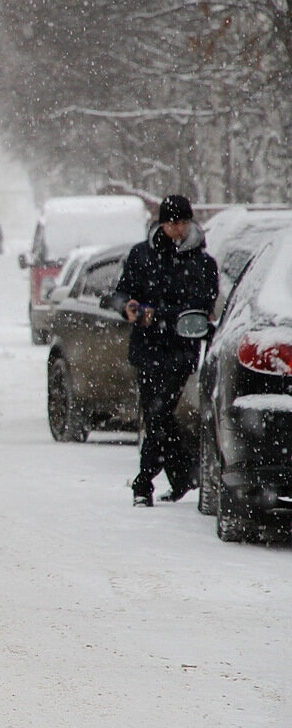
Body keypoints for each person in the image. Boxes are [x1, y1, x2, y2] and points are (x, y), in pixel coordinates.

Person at [111, 194, 217, 507]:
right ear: (162, 223)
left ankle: (143, 484)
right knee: (158, 414)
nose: (179, 229)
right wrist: (127, 307)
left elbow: (199, 308)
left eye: (184, 222)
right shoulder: (141, 255)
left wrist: (156, 315)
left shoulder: (201, 262)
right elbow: (121, 293)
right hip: (147, 349)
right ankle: (183, 473)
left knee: (159, 412)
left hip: (180, 349)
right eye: (173, 223)